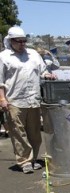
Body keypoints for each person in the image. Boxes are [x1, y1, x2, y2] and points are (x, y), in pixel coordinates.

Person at [0, 26, 56, 174]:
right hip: (15, 100)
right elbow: (0, 81)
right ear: (11, 41)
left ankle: (33, 158)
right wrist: (2, 99)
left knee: (34, 132)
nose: (22, 44)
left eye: (24, 41)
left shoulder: (33, 54)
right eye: (19, 41)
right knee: (18, 133)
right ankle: (24, 160)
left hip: (33, 100)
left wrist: (48, 75)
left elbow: (43, 70)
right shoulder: (3, 57)